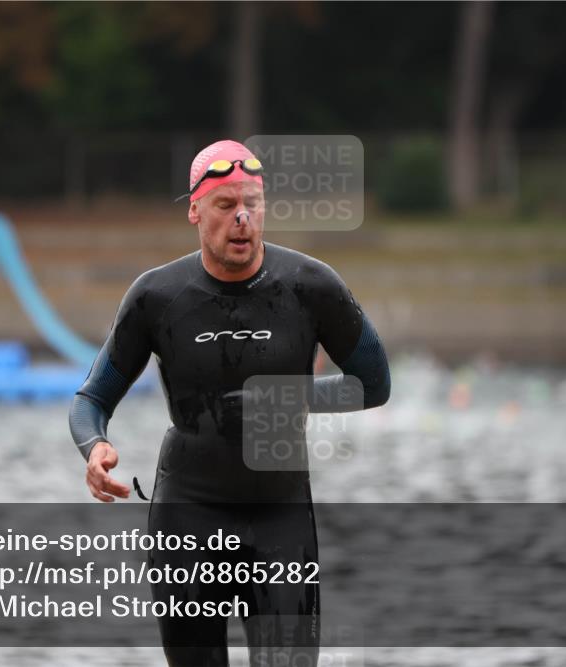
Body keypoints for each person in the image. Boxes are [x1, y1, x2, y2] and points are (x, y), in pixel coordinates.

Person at [69, 139, 391, 666]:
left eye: (252, 204)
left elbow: (374, 384)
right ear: (195, 210)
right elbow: (90, 401)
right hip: (187, 517)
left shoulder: (311, 286)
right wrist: (95, 447)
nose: (242, 217)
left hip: (279, 517)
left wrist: (292, 397)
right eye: (225, 205)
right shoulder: (157, 297)